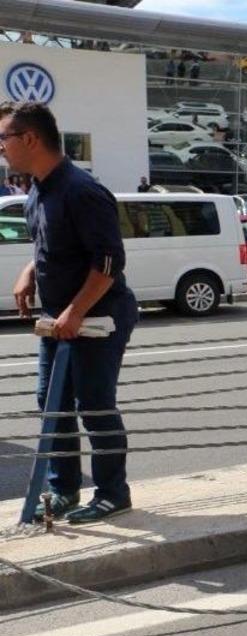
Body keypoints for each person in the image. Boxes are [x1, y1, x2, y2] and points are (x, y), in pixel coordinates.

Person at [2, 101, 139, 524]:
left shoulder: (81, 190)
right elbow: (53, 247)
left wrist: (77, 312)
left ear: (30, 139)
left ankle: (113, 493)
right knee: (52, 403)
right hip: (60, 321)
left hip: (99, 317)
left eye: (3, 139)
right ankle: (63, 489)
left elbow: (110, 262)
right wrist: (29, 273)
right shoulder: (37, 190)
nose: (1, 149)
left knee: (95, 405)